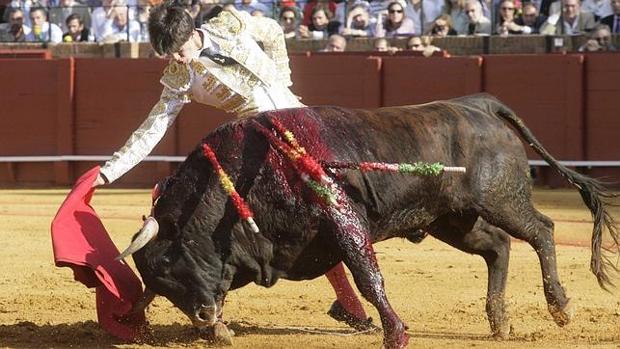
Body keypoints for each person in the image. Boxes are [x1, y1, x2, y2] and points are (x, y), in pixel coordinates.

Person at [92, 1, 375, 331]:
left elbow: (271, 31)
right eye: (169, 53)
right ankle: (212, 305)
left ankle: (347, 301)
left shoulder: (230, 24)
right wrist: (110, 170)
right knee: (221, 220)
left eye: (180, 50)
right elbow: (153, 128)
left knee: (326, 212)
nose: (177, 59)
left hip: (302, 124)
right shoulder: (179, 76)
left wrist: (282, 78)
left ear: (191, 34)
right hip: (258, 147)